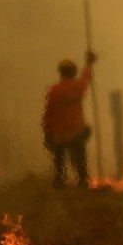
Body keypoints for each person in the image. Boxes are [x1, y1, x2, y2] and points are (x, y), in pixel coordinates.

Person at [42, 50, 97, 188]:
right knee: (79, 159)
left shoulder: (55, 90)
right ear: (73, 72)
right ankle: (83, 182)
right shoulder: (78, 87)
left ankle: (59, 182)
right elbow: (86, 78)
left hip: (59, 133)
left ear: (61, 72)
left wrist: (47, 130)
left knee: (59, 161)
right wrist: (89, 63)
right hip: (76, 131)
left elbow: (48, 112)